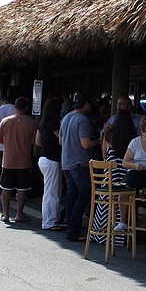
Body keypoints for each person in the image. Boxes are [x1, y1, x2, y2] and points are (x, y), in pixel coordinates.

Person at [60, 93, 100, 242]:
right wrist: (98, 141)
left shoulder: (66, 118)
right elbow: (85, 144)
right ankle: (74, 228)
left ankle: (70, 225)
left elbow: (60, 140)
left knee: (72, 194)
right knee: (84, 193)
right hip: (79, 162)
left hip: (66, 161)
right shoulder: (83, 120)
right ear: (86, 105)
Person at [0, 97, 37, 224]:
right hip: (24, 160)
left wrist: (8, 142)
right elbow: (35, 141)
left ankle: (6, 214)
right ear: (26, 108)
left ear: (15, 107)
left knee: (6, 188)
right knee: (22, 189)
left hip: (8, 160)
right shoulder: (31, 123)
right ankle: (19, 214)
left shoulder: (6, 121)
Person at [89, 127, 129, 243]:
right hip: (116, 193)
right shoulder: (120, 157)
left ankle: (99, 233)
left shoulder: (110, 157)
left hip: (104, 194)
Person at [36, 98, 64, 231]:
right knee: (52, 192)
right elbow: (61, 140)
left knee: (50, 190)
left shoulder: (42, 123)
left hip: (43, 158)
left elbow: (37, 141)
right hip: (52, 159)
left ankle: (52, 220)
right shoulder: (53, 123)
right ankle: (49, 222)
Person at [0, 95, 17, 180]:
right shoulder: (15, 109)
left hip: (1, 143)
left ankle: (2, 180)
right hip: (15, 142)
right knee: (13, 165)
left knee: (2, 164)